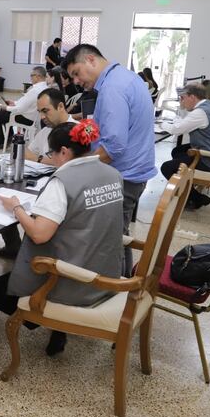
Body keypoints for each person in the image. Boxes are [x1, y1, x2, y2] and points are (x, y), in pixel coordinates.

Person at [0, 120, 124, 356]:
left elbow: (39, 234)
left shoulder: (62, 182)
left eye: (52, 153)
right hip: (104, 268)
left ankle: (48, 317)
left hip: (74, 278)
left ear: (64, 152)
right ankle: (56, 325)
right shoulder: (113, 173)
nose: (51, 158)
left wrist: (16, 208)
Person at [62, 44, 156, 276]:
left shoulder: (113, 87)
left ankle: (117, 291)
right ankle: (121, 287)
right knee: (118, 237)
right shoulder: (125, 77)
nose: (75, 81)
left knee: (112, 240)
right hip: (132, 171)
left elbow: (114, 144)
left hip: (123, 175)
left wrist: (75, 170)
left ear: (91, 60)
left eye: (76, 73)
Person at [0, 87, 78, 259]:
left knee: (21, 205)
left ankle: (29, 255)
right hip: (39, 180)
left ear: (60, 106)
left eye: (46, 111)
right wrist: (44, 159)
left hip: (60, 189)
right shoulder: (45, 131)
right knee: (4, 193)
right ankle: (13, 246)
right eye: (40, 112)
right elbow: (26, 154)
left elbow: (70, 163)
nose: (42, 117)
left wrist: (40, 159)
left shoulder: (78, 132)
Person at [160, 84, 210, 209]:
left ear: (192, 97)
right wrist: (180, 117)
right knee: (178, 151)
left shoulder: (200, 112)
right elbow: (183, 122)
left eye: (182, 98)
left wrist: (162, 123)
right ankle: (186, 184)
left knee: (167, 167)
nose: (181, 101)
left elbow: (176, 129)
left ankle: (196, 198)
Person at [0, 66, 47, 150]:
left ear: (38, 76)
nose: (30, 78)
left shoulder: (35, 90)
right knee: (2, 114)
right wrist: (14, 103)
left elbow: (19, 109)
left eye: (32, 75)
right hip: (34, 117)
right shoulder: (45, 88)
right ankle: (9, 137)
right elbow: (26, 103)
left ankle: (0, 142)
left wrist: (6, 107)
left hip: (25, 118)